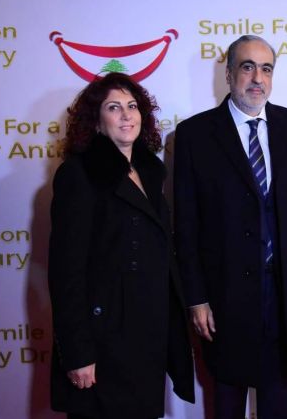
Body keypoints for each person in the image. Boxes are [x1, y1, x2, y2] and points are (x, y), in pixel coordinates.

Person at [173, 35, 287, 419]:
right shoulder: (194, 135)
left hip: (284, 294)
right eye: (247, 67)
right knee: (227, 403)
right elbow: (186, 225)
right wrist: (196, 298)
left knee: (278, 404)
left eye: (266, 69)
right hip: (224, 296)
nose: (258, 78)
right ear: (228, 74)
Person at [47, 72, 194, 419]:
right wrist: (78, 353)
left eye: (132, 106)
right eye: (114, 107)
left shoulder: (151, 171)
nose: (127, 115)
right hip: (104, 340)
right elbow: (66, 273)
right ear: (96, 121)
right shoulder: (78, 175)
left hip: (148, 334)